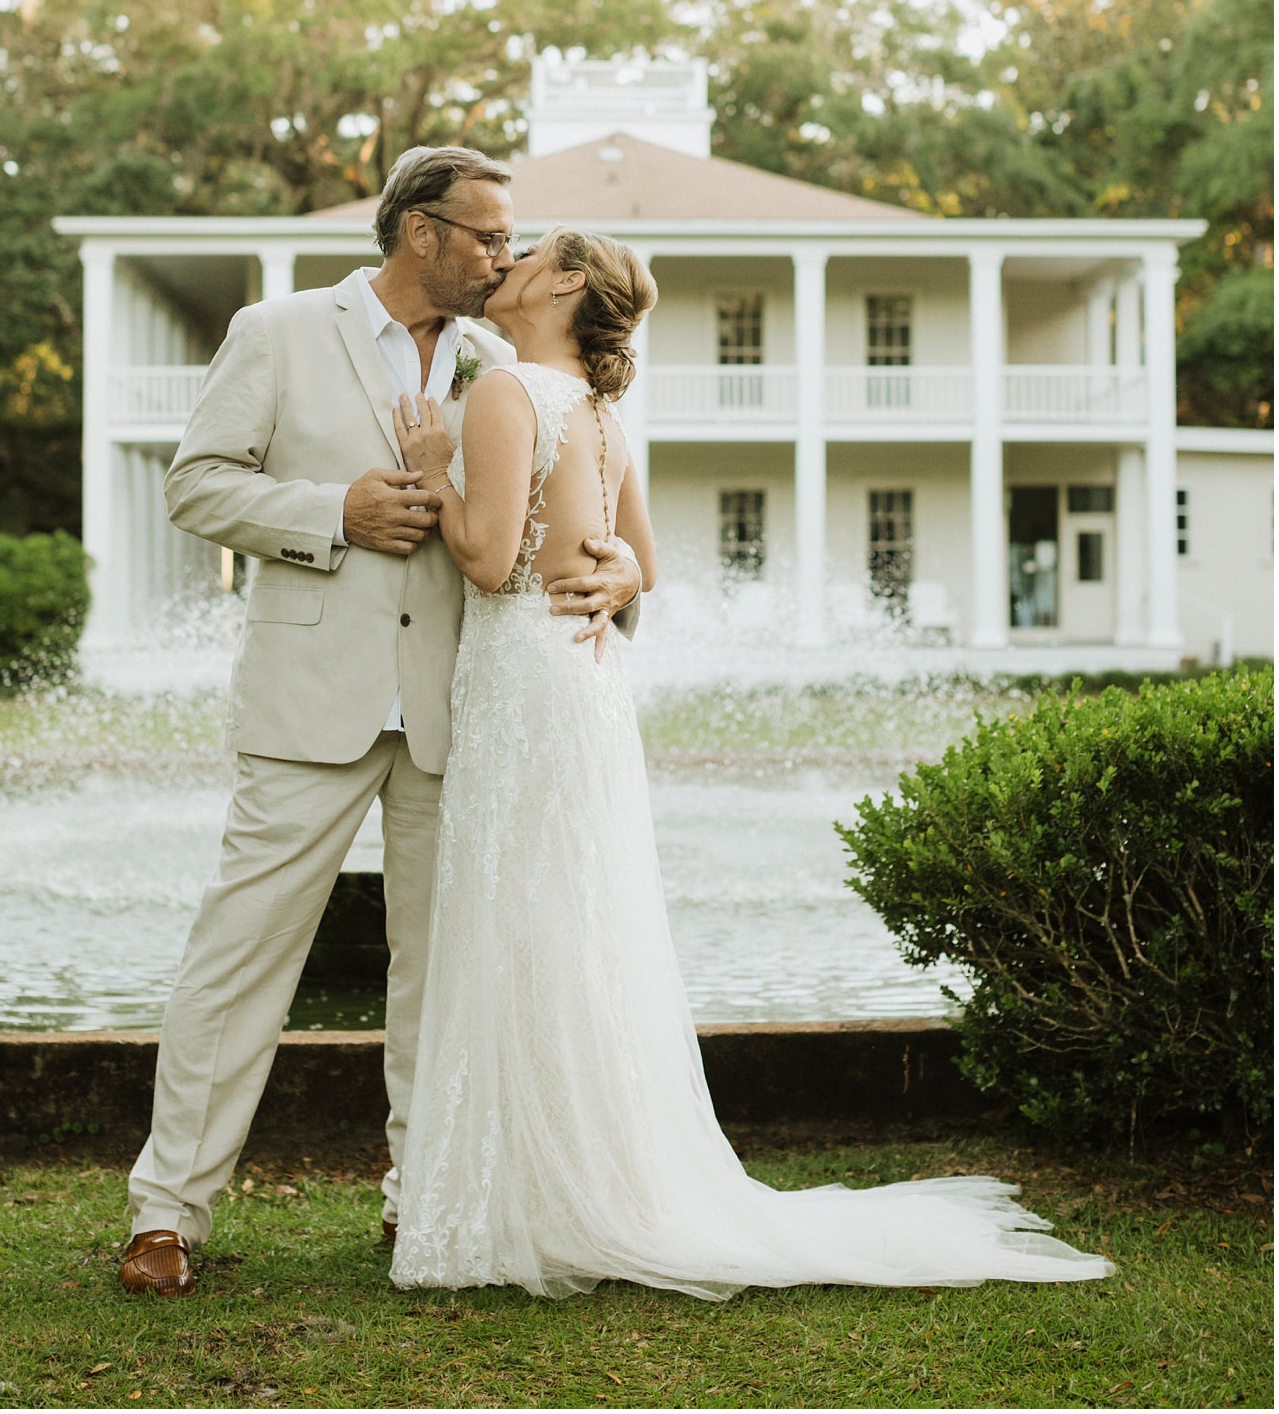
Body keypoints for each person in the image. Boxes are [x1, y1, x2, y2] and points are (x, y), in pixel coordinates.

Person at [387, 227, 1115, 1298]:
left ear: (568, 283)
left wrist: (434, 471)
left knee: (519, 921)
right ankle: (578, 1186)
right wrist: (622, 569)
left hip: (524, 681)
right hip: (584, 686)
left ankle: (530, 1199)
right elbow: (645, 561)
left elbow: (492, 560)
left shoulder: (501, 396)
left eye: (530, 250)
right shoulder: (598, 412)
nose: (510, 260)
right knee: (577, 926)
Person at [118, 150, 644, 1296]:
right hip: (311, 699)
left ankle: (424, 1203)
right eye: (490, 236)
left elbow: (567, 526)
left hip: (463, 711)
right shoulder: (279, 331)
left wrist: (618, 576)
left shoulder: (506, 365)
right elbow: (195, 482)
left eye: (515, 242)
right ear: (420, 231)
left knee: (440, 974)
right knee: (240, 955)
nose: (505, 255)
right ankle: (168, 1213)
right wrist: (332, 511)